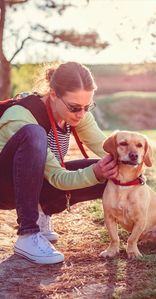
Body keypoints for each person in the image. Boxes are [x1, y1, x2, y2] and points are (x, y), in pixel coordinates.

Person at [0, 61, 118, 265]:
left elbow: (108, 149)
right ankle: (28, 233)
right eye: (74, 107)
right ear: (53, 94)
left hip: (38, 181)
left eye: (87, 107)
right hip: (5, 188)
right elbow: (58, 177)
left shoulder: (78, 115)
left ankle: (41, 210)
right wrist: (94, 173)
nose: (81, 114)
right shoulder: (22, 116)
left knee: (114, 170)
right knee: (34, 134)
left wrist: (129, 168)